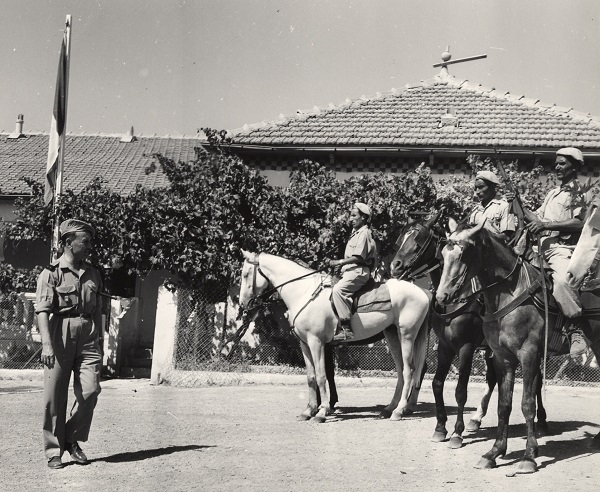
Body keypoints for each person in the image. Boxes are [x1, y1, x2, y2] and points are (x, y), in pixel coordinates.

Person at [509, 147, 590, 359]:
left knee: (563, 281)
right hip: (537, 250)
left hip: (561, 250)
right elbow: (535, 219)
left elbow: (580, 222)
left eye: (562, 163)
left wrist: (546, 225)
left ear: (575, 167)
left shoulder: (579, 191)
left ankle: (575, 328)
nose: (557, 167)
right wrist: (517, 203)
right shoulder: (553, 192)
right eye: (557, 163)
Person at [36, 219, 104, 469]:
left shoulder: (94, 273)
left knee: (91, 390)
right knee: (54, 396)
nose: (90, 247)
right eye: (85, 242)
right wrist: (46, 344)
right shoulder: (51, 272)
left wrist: (100, 340)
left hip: (88, 334)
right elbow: (42, 310)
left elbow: (98, 310)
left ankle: (71, 438)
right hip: (59, 333)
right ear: (67, 243)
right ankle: (54, 450)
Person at [329, 203, 377, 342]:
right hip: (350, 270)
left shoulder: (364, 233)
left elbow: (359, 257)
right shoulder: (355, 233)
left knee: (338, 290)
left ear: (363, 218)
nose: (350, 219)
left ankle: (346, 329)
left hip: (358, 271)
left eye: (354, 215)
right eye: (351, 215)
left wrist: (339, 262)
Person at [469, 170, 516, 241]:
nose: (477, 192)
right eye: (476, 188)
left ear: (492, 187)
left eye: (481, 187)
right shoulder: (475, 210)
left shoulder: (503, 206)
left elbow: (507, 237)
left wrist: (485, 237)